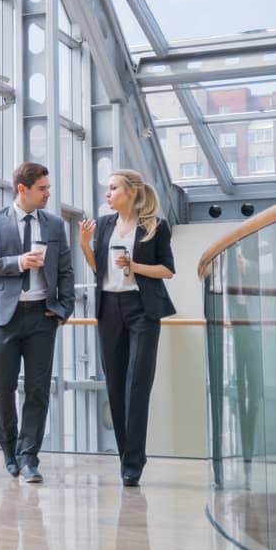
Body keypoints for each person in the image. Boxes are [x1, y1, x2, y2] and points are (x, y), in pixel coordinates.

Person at [0, 162, 75, 484]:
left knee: (38, 389)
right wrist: (17, 262)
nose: (47, 194)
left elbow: (66, 271)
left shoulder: (55, 225)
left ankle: (29, 457)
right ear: (23, 189)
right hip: (5, 317)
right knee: (1, 387)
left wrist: (63, 310)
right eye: (42, 189)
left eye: (48, 188)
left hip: (43, 316)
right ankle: (9, 450)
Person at [78, 169, 176, 487]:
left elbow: (167, 270)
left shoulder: (155, 227)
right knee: (116, 387)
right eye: (107, 188)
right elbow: (100, 269)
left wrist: (135, 267)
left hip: (142, 310)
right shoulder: (105, 224)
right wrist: (84, 244)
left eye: (113, 188)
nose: (107, 193)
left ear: (131, 192)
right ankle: (126, 458)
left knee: (137, 386)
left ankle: (134, 463)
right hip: (109, 310)